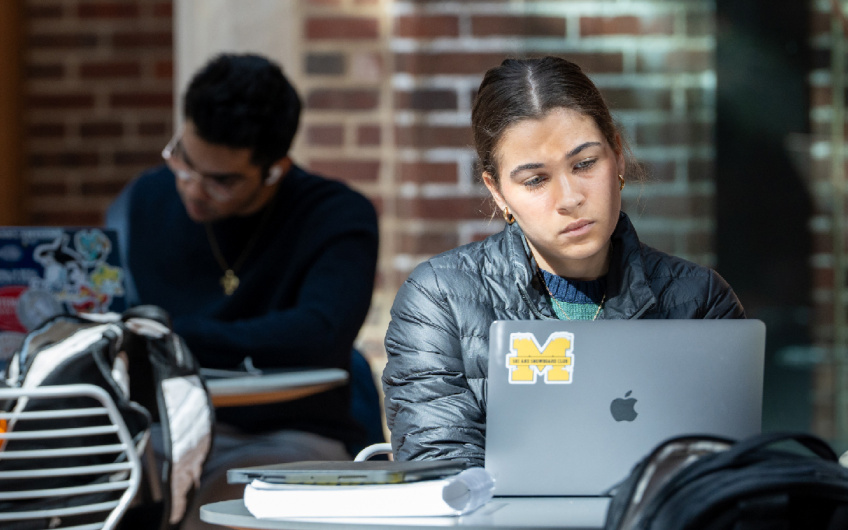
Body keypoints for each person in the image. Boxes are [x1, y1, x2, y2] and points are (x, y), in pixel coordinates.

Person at [382, 56, 744, 468]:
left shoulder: (698, 298)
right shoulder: (439, 299)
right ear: (498, 192)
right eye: (536, 180)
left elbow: (717, 473)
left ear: (618, 157)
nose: (570, 198)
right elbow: (442, 473)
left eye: (585, 163)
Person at [106, 53, 379, 528]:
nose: (192, 189)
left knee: (232, 512)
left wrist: (169, 335)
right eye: (183, 161)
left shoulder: (335, 217)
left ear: (275, 169)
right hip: (156, 431)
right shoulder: (142, 203)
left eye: (222, 181)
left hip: (285, 430)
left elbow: (319, 334)